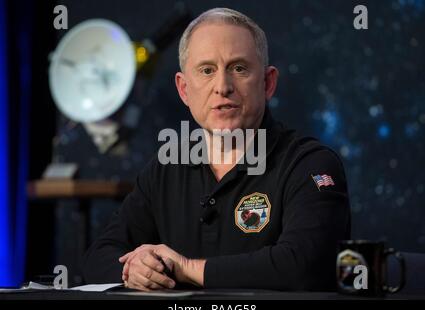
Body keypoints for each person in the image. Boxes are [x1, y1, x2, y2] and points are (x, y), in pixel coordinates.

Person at [83, 7, 351, 291]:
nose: (222, 86)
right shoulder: (166, 168)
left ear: (268, 83)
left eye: (239, 68)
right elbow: (98, 257)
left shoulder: (310, 165)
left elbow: (306, 265)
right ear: (184, 90)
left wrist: (186, 269)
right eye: (207, 70)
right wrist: (136, 269)